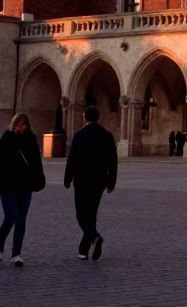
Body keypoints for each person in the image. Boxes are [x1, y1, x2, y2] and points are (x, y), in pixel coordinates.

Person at [0, 113, 46, 266]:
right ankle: (0, 241)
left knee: (21, 219)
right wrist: (3, 176)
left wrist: (37, 179)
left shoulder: (31, 140)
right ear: (13, 125)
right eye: (18, 124)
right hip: (7, 185)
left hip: (25, 185)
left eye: (23, 124)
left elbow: (36, 162)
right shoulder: (6, 140)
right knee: (11, 216)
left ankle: (16, 254)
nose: (21, 127)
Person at [64, 106, 118, 261]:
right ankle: (84, 250)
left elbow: (72, 159)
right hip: (99, 180)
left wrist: (67, 179)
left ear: (84, 117)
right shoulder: (107, 135)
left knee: (81, 213)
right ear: (98, 117)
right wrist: (111, 181)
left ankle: (95, 236)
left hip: (81, 180)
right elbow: (112, 161)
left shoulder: (79, 135)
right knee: (91, 213)